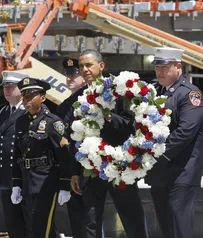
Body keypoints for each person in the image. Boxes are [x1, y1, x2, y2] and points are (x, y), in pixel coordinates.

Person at [70, 48, 149, 238]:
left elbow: (130, 126)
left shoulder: (117, 92)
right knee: (91, 220)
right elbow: (74, 136)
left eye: (89, 65)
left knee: (132, 217)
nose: (85, 69)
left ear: (101, 65)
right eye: (81, 66)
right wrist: (74, 171)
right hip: (90, 168)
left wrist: (108, 116)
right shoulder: (78, 98)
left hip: (118, 166)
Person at [145, 47, 203, 238]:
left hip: (182, 170)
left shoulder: (190, 94)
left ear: (178, 67)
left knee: (180, 224)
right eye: (157, 67)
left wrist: (159, 153)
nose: (160, 71)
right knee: (165, 224)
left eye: (165, 67)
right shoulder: (154, 91)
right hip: (159, 170)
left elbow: (186, 130)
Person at [10, 77, 72, 238]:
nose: (26, 100)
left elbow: (64, 156)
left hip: (47, 182)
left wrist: (65, 185)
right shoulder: (21, 122)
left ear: (42, 98)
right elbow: (18, 153)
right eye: (24, 97)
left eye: (30, 96)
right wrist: (16, 183)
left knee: (40, 227)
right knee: (42, 227)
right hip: (27, 181)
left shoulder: (53, 123)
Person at [56, 57, 98, 238]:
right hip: (72, 168)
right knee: (77, 221)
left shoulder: (92, 98)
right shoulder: (65, 105)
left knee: (92, 221)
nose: (70, 78)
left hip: (91, 166)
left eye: (74, 74)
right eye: (68, 75)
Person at [0, 70, 30, 238]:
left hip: (24, 177)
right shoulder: (2, 112)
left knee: (31, 222)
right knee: (12, 223)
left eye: (11, 86)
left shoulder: (29, 111)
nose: (7, 90)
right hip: (7, 178)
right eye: (5, 87)